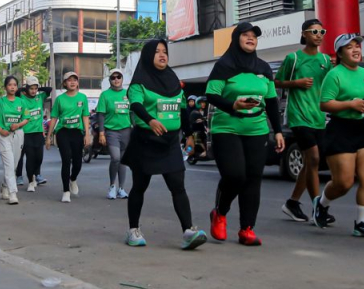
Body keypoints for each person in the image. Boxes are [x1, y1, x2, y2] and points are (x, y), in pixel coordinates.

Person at [124, 39, 208, 249]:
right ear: (148, 56)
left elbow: (182, 109)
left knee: (178, 186)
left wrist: (188, 134)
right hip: (145, 141)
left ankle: (188, 231)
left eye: (165, 51)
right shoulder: (139, 82)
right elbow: (136, 105)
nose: (162, 55)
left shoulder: (173, 80)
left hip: (170, 143)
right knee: (139, 187)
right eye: (157, 52)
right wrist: (150, 120)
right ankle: (133, 230)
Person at [205, 22, 284, 246]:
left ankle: (247, 228)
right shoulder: (224, 65)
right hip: (227, 128)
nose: (251, 38)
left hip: (257, 129)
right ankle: (220, 213)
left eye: (254, 36)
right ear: (236, 38)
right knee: (235, 176)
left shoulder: (263, 68)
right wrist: (233, 105)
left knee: (253, 178)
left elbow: (271, 101)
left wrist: (278, 131)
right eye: (246, 35)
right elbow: (211, 94)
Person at [311, 33, 364, 238]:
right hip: (341, 131)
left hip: (363, 129)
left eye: (357, 46)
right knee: (344, 183)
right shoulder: (334, 75)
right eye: (349, 47)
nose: (355, 50)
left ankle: (362, 223)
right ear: (340, 53)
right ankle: (322, 204)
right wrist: (349, 104)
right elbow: (325, 104)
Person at [275, 18, 332, 223]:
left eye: (322, 32)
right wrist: (296, 83)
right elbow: (276, 82)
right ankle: (318, 207)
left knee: (310, 162)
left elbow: (331, 85)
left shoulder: (325, 60)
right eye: (314, 31)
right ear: (304, 34)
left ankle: (292, 203)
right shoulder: (293, 58)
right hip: (298, 115)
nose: (318, 35)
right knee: (314, 158)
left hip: (319, 117)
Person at [47, 71, 91, 202]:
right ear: (64, 83)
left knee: (77, 162)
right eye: (69, 80)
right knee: (66, 160)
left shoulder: (82, 98)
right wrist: (49, 136)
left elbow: (85, 116)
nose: (72, 82)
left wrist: (87, 134)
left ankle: (73, 179)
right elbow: (54, 118)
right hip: (63, 132)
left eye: (74, 80)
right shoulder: (60, 99)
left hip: (77, 132)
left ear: (77, 83)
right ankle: (66, 191)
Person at [0, 76, 29, 204]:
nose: (12, 87)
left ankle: (5, 184)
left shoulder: (22, 102)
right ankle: (13, 193)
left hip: (18, 134)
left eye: (14, 85)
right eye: (9, 85)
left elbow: (27, 117)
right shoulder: (0, 101)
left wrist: (18, 125)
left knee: (14, 164)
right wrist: (0, 129)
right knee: (9, 163)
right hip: (4, 135)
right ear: (5, 87)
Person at [96, 69, 132, 199]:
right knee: (115, 158)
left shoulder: (128, 94)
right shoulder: (105, 95)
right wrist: (101, 133)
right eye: (113, 77)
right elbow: (101, 114)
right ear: (110, 80)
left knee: (123, 160)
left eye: (118, 77)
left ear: (122, 79)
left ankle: (121, 188)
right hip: (111, 131)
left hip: (126, 131)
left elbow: (132, 113)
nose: (116, 79)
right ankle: (112, 186)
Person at [18, 75, 48, 191]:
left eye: (35, 88)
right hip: (26, 133)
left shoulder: (40, 97)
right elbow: (17, 91)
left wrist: (38, 88)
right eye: (31, 88)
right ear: (27, 88)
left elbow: (49, 89)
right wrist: (24, 89)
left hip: (39, 132)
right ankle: (31, 181)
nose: (34, 91)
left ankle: (36, 175)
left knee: (39, 158)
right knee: (30, 158)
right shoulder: (22, 98)